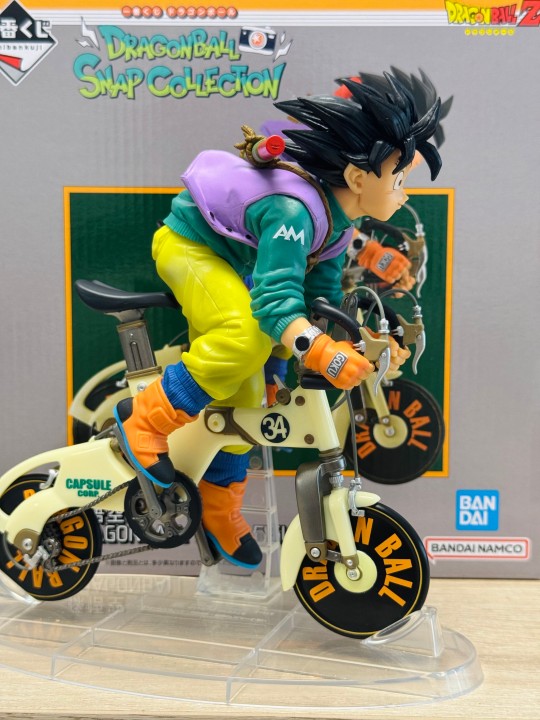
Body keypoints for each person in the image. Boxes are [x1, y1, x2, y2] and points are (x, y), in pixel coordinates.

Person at [113, 70, 444, 570]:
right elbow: (274, 304)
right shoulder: (294, 213)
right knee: (243, 339)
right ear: (358, 179)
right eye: (399, 179)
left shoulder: (338, 224)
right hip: (192, 249)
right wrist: (322, 353)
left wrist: (358, 341)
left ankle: (218, 505)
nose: (404, 193)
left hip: (235, 265)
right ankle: (143, 420)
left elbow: (318, 298)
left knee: (246, 400)